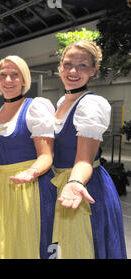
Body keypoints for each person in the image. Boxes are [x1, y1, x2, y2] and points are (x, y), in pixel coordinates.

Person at [51, 40, 126, 259]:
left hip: (84, 184)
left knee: (80, 248)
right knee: (60, 249)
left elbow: (85, 159)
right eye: (68, 64)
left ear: (93, 70)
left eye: (82, 65)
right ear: (60, 67)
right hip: (58, 184)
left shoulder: (92, 105)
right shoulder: (59, 103)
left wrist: (74, 183)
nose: (73, 71)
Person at [0, 55, 56, 259]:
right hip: (0, 191)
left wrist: (30, 173)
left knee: (27, 244)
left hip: (31, 188)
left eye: (15, 75)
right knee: (2, 245)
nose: (8, 80)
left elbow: (46, 156)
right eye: (3, 75)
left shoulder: (35, 107)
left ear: (24, 80)